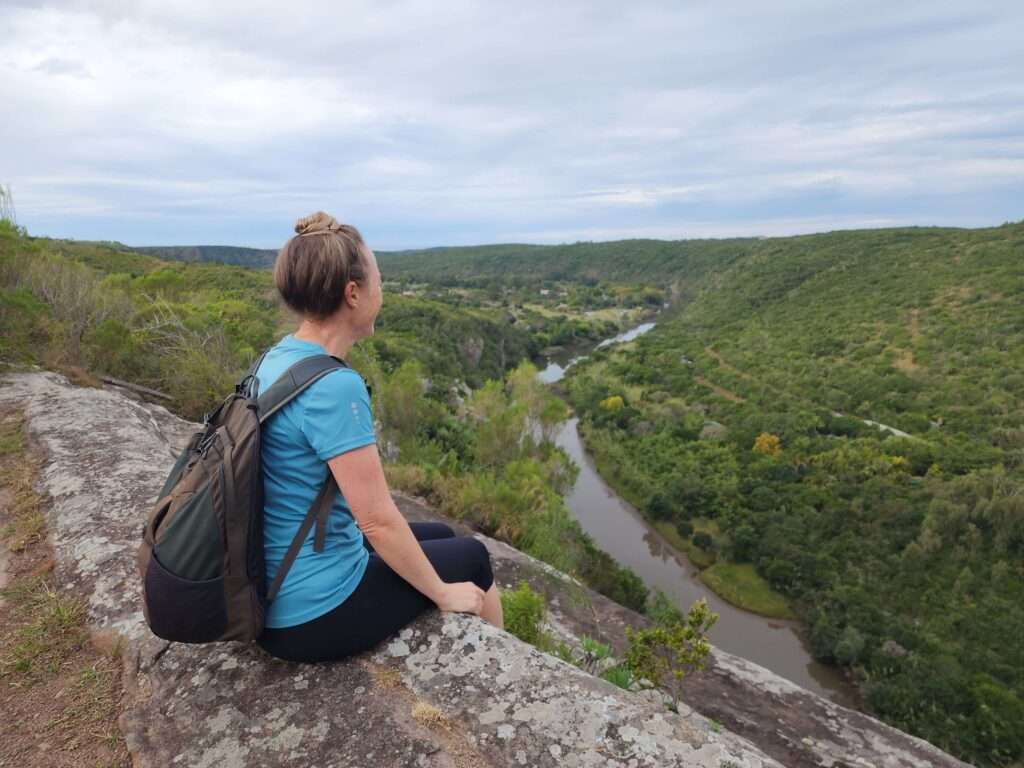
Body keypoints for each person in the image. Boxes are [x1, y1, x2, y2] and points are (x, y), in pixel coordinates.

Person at [254, 211, 503, 664]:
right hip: (310, 615)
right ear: (353, 294)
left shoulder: (275, 360)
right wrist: (442, 593)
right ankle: (505, 671)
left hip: (269, 587)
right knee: (473, 556)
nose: (381, 292)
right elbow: (376, 520)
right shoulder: (333, 386)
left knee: (439, 532)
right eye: (379, 281)